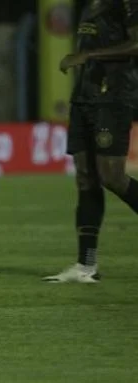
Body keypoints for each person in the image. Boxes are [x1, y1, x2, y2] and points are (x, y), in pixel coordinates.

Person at [44, 0, 138, 283]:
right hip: (84, 97)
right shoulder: (88, 5)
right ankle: (86, 266)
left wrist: (89, 56)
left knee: (112, 176)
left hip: (113, 97)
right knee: (86, 177)